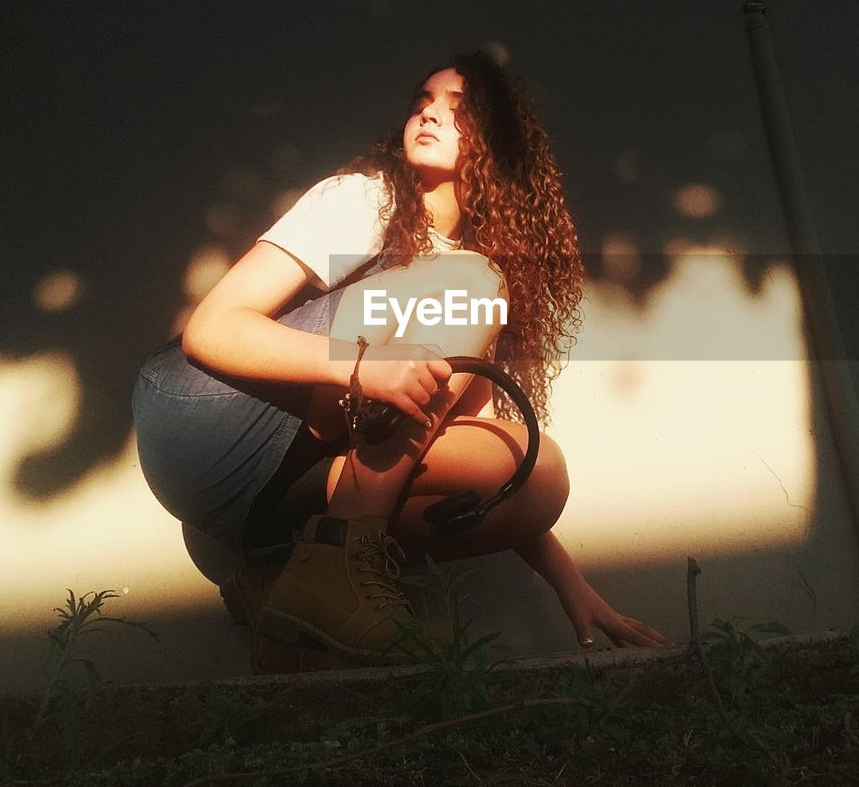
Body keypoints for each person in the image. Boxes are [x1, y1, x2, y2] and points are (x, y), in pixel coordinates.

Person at [132, 51, 667, 666]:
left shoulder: (468, 294)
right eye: (422, 102)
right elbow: (211, 327)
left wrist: (572, 586)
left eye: (458, 110)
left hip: (255, 502)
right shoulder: (368, 200)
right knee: (471, 285)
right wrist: (360, 368)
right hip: (198, 416)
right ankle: (336, 570)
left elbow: (476, 449)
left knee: (533, 472)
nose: (430, 115)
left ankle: (284, 588)